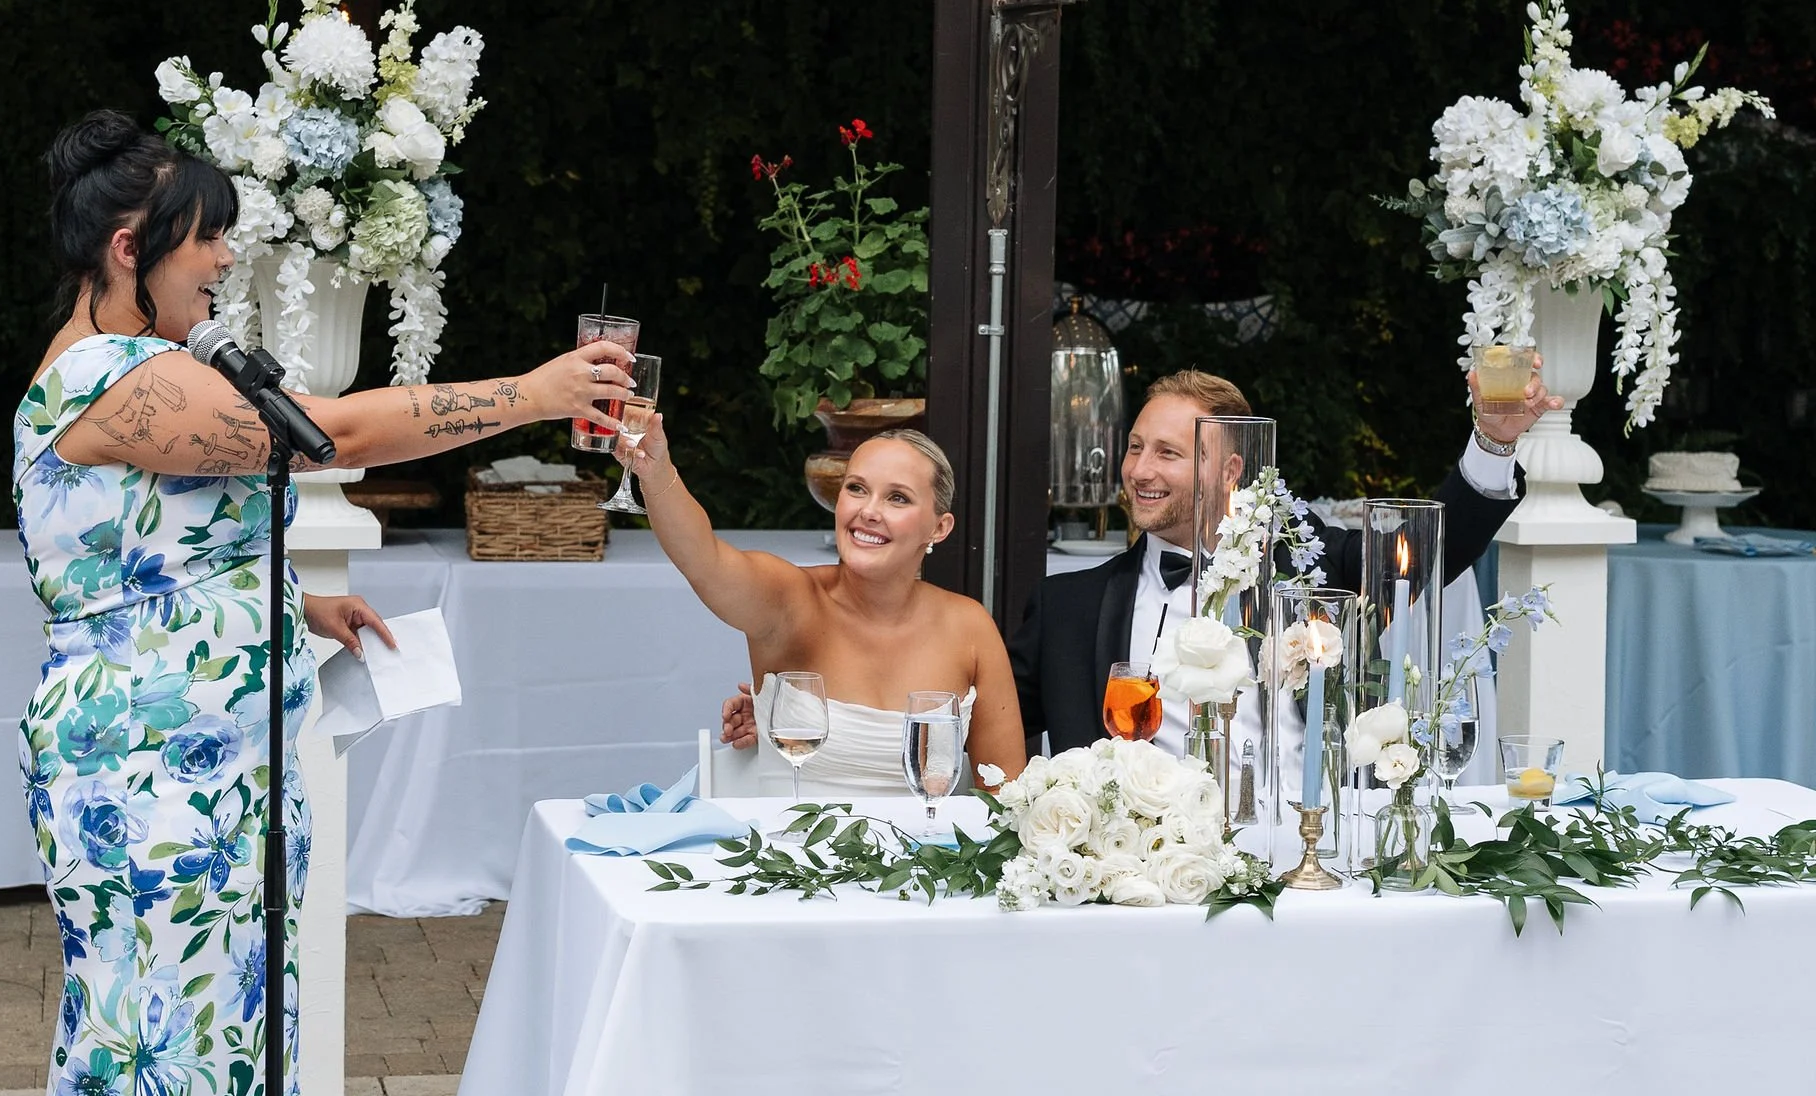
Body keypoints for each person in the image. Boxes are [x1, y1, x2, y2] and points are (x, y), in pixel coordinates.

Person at [0, 109, 636, 1096]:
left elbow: (141, 560)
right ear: (131, 248)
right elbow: (336, 436)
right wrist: (538, 390)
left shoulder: (147, 369)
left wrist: (285, 605)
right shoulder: (113, 377)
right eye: (209, 242)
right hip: (153, 792)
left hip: (215, 765)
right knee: (147, 1074)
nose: (227, 263)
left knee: (220, 1073)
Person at [1008, 360, 1559, 759]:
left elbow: (1428, 553)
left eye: (1168, 453)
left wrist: (1492, 440)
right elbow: (987, 721)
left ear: (1230, 473)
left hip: (1301, 858)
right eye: (1135, 447)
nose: (1140, 471)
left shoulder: (1313, 573)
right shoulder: (1067, 608)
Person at [628, 412, 1026, 792]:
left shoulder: (969, 627)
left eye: (898, 498)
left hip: (925, 859)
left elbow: (1004, 794)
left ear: (939, 528)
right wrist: (655, 468)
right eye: (856, 488)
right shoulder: (791, 599)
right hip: (791, 854)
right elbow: (704, 559)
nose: (868, 511)